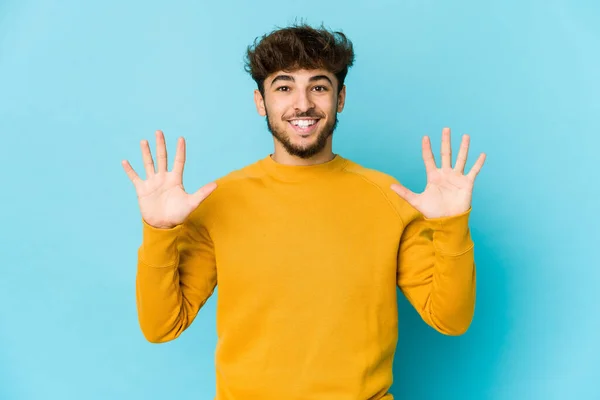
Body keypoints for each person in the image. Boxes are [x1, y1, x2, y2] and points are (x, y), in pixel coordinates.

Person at [122, 23, 486, 400]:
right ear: (260, 102)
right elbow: (161, 326)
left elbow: (451, 320)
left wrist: (450, 225)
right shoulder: (219, 200)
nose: (303, 104)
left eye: (318, 86)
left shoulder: (389, 198)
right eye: (283, 87)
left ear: (340, 98)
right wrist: (158, 230)